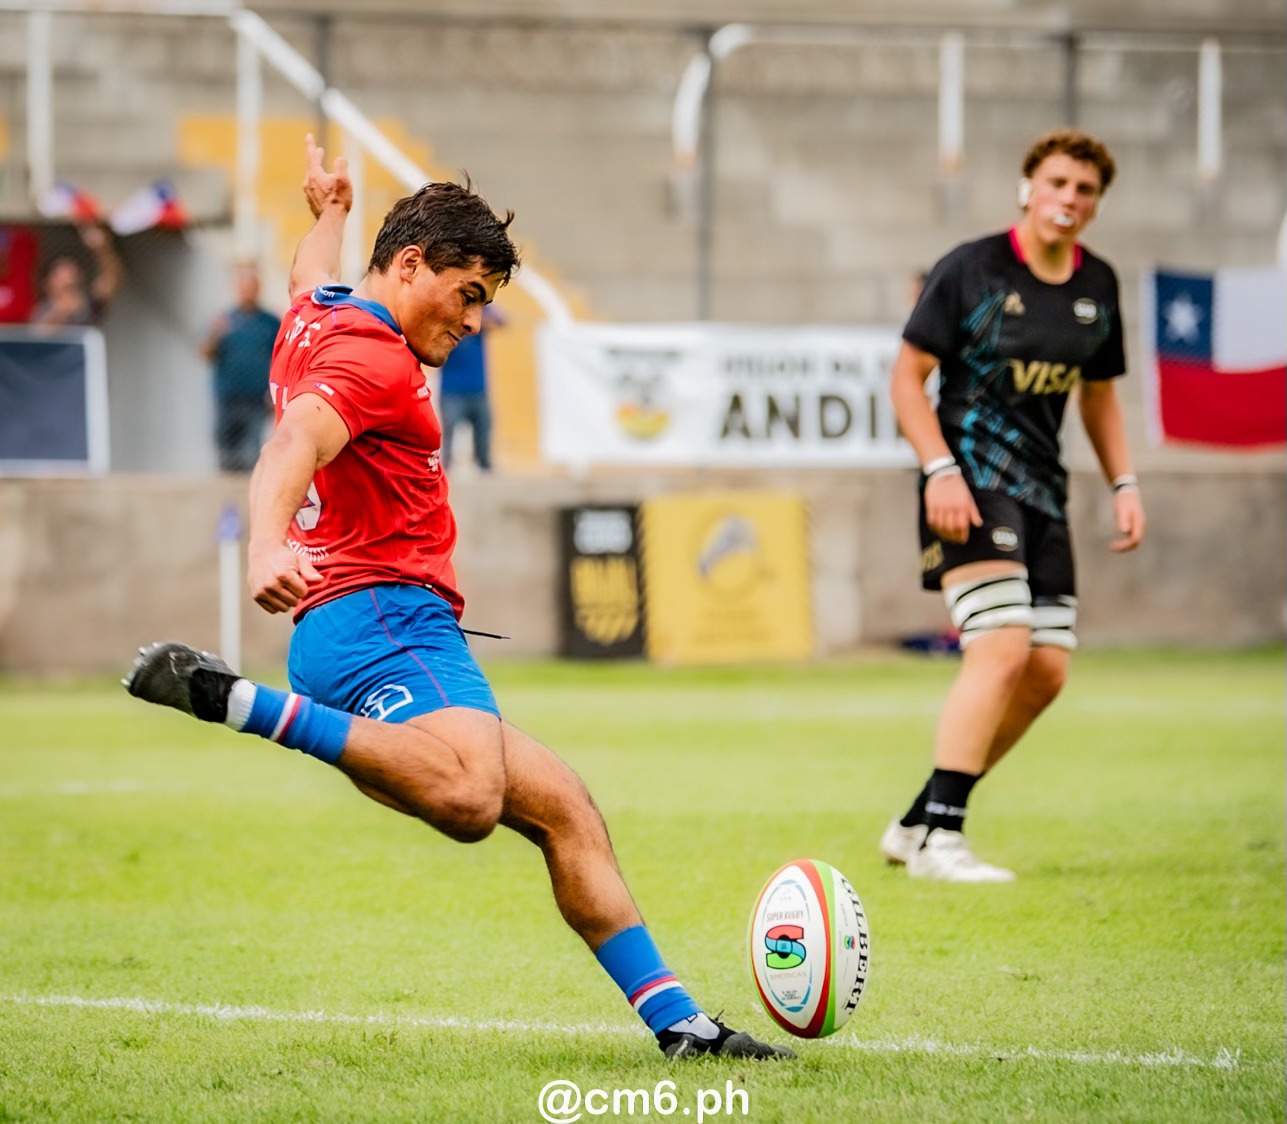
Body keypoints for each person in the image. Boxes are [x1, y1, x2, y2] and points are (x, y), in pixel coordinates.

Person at [124, 136, 792, 1061]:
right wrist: (266, 545)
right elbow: (290, 449)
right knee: (473, 798)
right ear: (409, 266)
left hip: (350, 626)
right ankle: (237, 701)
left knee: (562, 807)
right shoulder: (377, 361)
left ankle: (679, 1026)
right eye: (469, 292)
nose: (475, 320)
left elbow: (309, 271)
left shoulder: (319, 314)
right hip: (387, 619)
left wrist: (328, 212)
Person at [878, 129, 1146, 883]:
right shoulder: (970, 269)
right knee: (998, 647)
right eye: (1057, 183)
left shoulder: (1099, 285)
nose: (1069, 199)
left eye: (1085, 190)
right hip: (965, 483)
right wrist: (937, 469)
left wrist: (1124, 483)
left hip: (1041, 493)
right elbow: (906, 379)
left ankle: (917, 820)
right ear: (1027, 187)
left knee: (1045, 672)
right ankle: (942, 841)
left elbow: (1098, 396)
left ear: (1095, 204)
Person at [200, 264, 279, 472]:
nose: (246, 291)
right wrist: (215, 334)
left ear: (258, 288)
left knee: (251, 455)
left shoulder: (271, 322)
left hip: (255, 401)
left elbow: (280, 359)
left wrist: (275, 395)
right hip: (227, 399)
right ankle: (227, 504)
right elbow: (205, 354)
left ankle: (247, 503)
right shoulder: (223, 320)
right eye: (242, 286)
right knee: (225, 455)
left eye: (250, 286)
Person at [437, 303, 502, 472]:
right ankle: (445, 470)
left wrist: (487, 315)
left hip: (478, 388)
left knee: (484, 432)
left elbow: (502, 321)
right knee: (448, 435)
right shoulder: (446, 320)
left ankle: (484, 467)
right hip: (451, 390)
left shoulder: (479, 314)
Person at [30, 221, 123, 327]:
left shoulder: (90, 302)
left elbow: (112, 276)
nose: (70, 271)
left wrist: (101, 247)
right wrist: (61, 312)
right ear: (49, 282)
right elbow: (41, 334)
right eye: (61, 270)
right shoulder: (44, 310)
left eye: (71, 268)